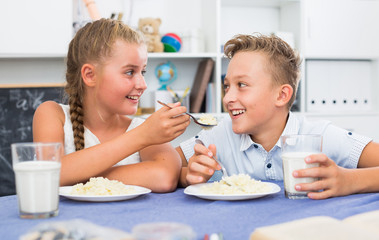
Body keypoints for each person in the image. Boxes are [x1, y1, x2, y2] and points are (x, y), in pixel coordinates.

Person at [177, 33, 379, 199]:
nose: (228, 97)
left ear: (282, 95)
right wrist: (187, 175)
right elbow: (167, 165)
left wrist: (349, 181)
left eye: (242, 85)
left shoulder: (320, 136)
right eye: (226, 86)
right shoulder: (219, 135)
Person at [33, 18, 190, 192]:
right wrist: (142, 136)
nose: (143, 84)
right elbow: (49, 174)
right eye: (130, 72)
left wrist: (73, 178)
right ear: (90, 75)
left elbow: (163, 177)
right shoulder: (52, 114)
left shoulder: (141, 127)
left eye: (142, 71)